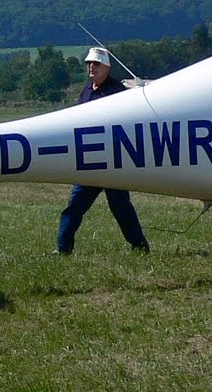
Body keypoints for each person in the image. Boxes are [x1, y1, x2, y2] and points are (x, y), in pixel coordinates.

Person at [54, 47, 150, 254]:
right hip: (90, 159)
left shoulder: (117, 91)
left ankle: (139, 245)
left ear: (107, 67)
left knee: (120, 207)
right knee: (75, 206)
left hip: (113, 161)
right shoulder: (87, 90)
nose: (91, 67)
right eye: (89, 63)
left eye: (96, 64)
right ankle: (62, 249)